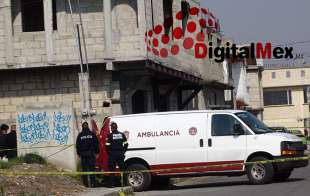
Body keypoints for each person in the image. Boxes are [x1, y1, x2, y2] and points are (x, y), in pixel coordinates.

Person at [76, 122, 99, 187]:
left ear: (82, 127)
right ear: (88, 126)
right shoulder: (92, 134)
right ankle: (93, 183)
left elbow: (78, 145)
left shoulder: (80, 135)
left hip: (83, 155)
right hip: (91, 154)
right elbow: (96, 143)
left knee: (84, 170)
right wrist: (97, 152)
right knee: (92, 169)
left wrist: (78, 153)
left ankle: (85, 184)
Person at [105, 122, 128, 187]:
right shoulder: (121, 134)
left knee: (112, 169)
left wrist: (110, 153)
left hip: (113, 155)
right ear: (117, 127)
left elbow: (107, 146)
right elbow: (126, 144)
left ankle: (112, 184)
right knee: (122, 169)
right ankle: (124, 183)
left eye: (111, 127)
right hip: (120, 154)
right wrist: (123, 152)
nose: (111, 128)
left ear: (112, 128)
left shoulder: (110, 135)